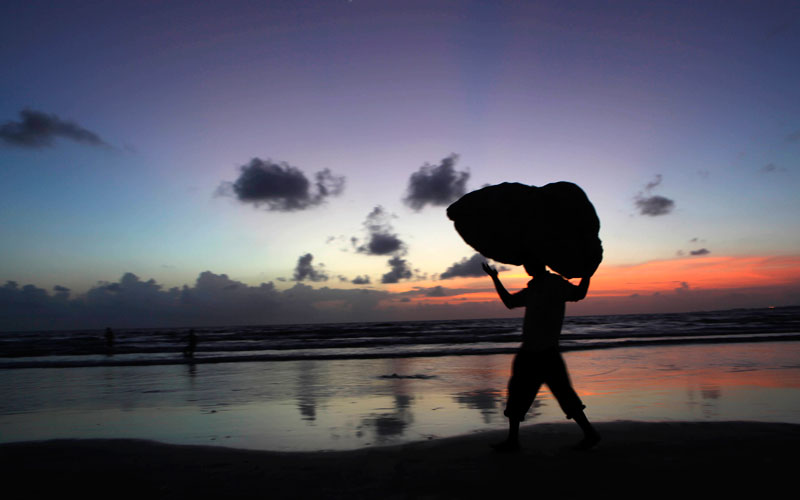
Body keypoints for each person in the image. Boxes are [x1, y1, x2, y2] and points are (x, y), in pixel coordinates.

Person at [483, 260, 600, 451]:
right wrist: (495, 278)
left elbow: (579, 294)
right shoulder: (537, 287)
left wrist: (587, 274)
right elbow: (510, 302)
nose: (526, 267)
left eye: (528, 264)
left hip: (542, 353)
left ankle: (589, 433)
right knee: (540, 394)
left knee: (530, 394)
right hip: (537, 351)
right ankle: (589, 433)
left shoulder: (554, 283)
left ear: (538, 264)